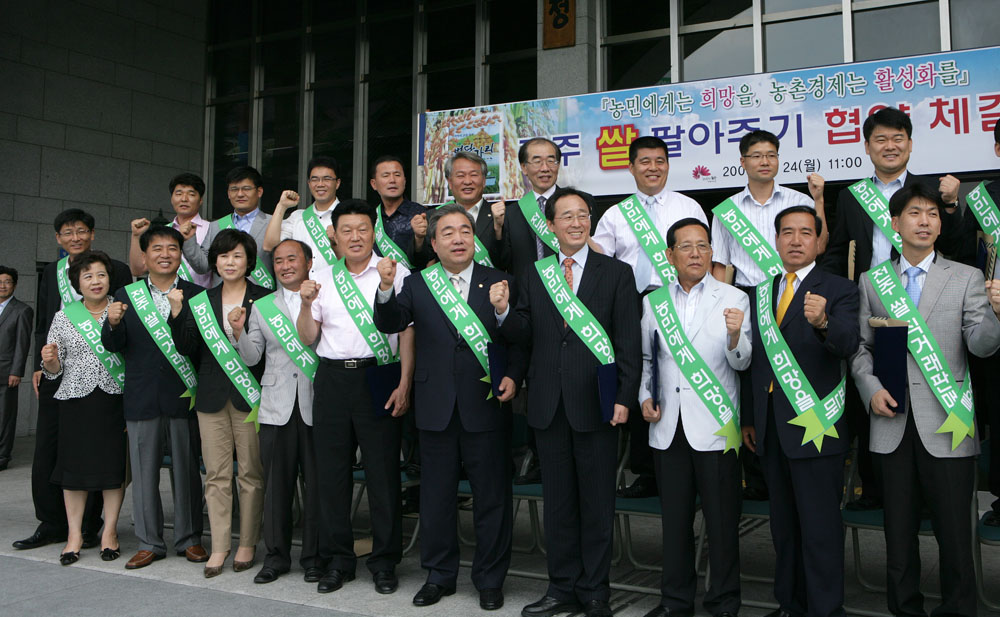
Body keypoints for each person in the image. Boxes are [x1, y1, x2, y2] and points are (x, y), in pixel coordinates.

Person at [851, 183, 1000, 617]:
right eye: (915, 213)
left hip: (947, 423)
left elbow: (983, 345)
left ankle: (958, 609)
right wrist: (870, 387)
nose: (925, 221)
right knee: (898, 535)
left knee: (955, 535)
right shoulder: (872, 281)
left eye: (933, 215)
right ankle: (905, 609)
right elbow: (862, 348)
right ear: (895, 224)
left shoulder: (966, 277)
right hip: (890, 422)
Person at [500, 188, 640, 617]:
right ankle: (561, 588)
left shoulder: (616, 273)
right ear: (552, 225)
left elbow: (628, 342)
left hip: (596, 403)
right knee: (558, 506)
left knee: (597, 504)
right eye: (567, 216)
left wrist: (624, 396)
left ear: (590, 222)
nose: (576, 222)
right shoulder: (535, 274)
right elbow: (524, 338)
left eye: (583, 215)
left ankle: (596, 591)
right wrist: (505, 314)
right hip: (547, 402)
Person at [374, 203, 519, 611]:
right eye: (449, 233)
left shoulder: (500, 281)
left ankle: (490, 580)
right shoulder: (418, 284)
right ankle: (439, 576)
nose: (458, 238)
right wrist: (385, 289)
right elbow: (391, 323)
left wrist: (514, 375)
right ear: (433, 244)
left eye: (465, 232)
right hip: (435, 405)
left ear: (474, 240)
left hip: (486, 404)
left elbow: (519, 338)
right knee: (435, 499)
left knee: (492, 499)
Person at [818, 107, 964, 511]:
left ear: (911, 144)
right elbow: (837, 253)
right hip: (874, 303)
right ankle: (879, 487)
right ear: (867, 147)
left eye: (898, 138)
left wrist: (950, 209)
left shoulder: (929, 191)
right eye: (880, 139)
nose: (890, 146)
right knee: (873, 392)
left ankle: (925, 486)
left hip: (927, 302)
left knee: (925, 389)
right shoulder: (850, 196)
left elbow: (954, 246)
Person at [743, 205, 859, 617]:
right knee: (784, 529)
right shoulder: (760, 292)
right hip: (771, 429)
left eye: (805, 233)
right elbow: (754, 363)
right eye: (787, 232)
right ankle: (790, 605)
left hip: (816, 425)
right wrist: (749, 419)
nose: (795, 240)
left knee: (820, 529)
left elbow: (848, 344)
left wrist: (824, 321)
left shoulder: (839, 288)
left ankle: (825, 609)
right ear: (776, 240)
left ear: (818, 241)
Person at [296, 200, 414, 596]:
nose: (355, 237)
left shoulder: (394, 273)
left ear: (373, 232)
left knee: (383, 475)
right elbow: (308, 338)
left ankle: (384, 562)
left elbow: (409, 333)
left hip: (379, 376)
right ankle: (339, 560)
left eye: (362, 229)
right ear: (335, 235)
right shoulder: (320, 277)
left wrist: (405, 382)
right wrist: (306, 302)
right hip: (331, 380)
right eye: (346, 230)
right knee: (331, 476)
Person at [640, 218, 750, 617]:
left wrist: (737, 337)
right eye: (685, 247)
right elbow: (648, 360)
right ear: (669, 256)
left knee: (722, 526)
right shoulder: (653, 302)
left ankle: (723, 603)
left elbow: (743, 363)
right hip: (668, 427)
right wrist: (644, 399)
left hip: (716, 428)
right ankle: (675, 601)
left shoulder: (734, 297)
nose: (695, 254)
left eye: (703, 246)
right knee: (675, 523)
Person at [710, 129, 826, 502]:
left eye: (771, 154)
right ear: (742, 162)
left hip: (791, 295)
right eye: (756, 155)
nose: (764, 161)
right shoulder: (727, 210)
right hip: (747, 298)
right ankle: (756, 474)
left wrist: (819, 201)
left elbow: (818, 246)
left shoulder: (797, 200)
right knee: (751, 378)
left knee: (792, 376)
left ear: (778, 159)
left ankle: (792, 455)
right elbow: (720, 267)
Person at [592, 135, 708, 499]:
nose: (653, 168)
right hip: (631, 302)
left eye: (660, 161)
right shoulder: (615, 214)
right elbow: (602, 263)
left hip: (679, 299)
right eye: (645, 161)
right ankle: (645, 469)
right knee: (641, 375)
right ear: (631, 167)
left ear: (668, 165)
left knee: (680, 375)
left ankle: (690, 460)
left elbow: (702, 256)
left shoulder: (688, 206)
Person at [14, 209, 132, 552]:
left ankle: (96, 525)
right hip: (60, 370)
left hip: (108, 372)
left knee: (103, 452)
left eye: (82, 231)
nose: (75, 237)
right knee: (53, 448)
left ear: (92, 234)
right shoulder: (52, 272)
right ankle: (52, 522)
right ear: (58, 239)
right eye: (68, 232)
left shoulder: (115, 270)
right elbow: (44, 317)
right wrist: (42, 361)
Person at [102, 226, 208, 570]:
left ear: (181, 254)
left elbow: (196, 347)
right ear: (144, 257)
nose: (165, 254)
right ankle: (149, 542)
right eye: (157, 248)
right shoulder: (125, 294)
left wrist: (178, 317)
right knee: (144, 473)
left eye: (172, 248)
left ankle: (190, 539)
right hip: (142, 396)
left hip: (184, 395)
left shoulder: (196, 295)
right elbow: (114, 347)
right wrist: (113, 325)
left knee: (187, 470)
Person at [170, 228, 268, 577]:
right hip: (211, 397)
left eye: (237, 255)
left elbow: (265, 356)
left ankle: (247, 543)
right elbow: (187, 348)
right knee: (216, 474)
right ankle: (221, 546)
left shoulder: (265, 298)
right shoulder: (201, 300)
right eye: (224, 255)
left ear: (249, 261)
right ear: (215, 261)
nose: (230, 261)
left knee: (252, 475)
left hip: (250, 396)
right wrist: (178, 314)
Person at [235, 238, 322, 585]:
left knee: (317, 487)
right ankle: (276, 556)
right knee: (276, 487)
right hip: (275, 408)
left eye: (293, 259)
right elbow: (251, 357)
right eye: (279, 261)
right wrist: (238, 331)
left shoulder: (324, 296)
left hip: (317, 403)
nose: (285, 265)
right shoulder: (262, 305)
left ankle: (314, 557)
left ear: (309, 262)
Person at [39, 250, 126, 566]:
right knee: (73, 471)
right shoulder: (64, 316)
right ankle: (74, 535)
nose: (95, 281)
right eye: (88, 276)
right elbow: (52, 367)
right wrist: (49, 362)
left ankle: (109, 533)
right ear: (77, 282)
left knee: (111, 470)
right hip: (74, 400)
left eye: (101, 274)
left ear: (109, 278)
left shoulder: (122, 311)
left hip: (112, 398)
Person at [181, 165, 274, 289]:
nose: (240, 194)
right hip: (223, 300)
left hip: (262, 300)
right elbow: (203, 266)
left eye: (246, 189)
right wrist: (189, 240)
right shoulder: (216, 226)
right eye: (234, 189)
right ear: (228, 193)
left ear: (259, 192)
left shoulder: (273, 223)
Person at [417, 152, 503, 268]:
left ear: (484, 181)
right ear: (450, 182)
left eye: (473, 175)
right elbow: (419, 260)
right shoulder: (433, 216)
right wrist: (418, 238)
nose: (467, 181)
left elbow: (507, 260)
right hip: (447, 285)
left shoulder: (500, 215)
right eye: (460, 176)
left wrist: (498, 229)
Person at [128, 173, 212, 288]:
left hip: (200, 301)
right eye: (178, 193)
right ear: (172, 198)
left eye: (191, 194)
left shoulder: (212, 229)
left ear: (201, 200)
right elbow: (138, 270)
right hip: (164, 299)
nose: (184, 199)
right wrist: (136, 236)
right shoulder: (162, 231)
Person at [263, 156, 342, 277]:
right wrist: (282, 206)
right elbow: (269, 246)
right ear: (309, 184)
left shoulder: (347, 217)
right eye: (315, 179)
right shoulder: (298, 217)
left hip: (337, 290)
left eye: (327, 179)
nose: (320, 184)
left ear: (337, 183)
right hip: (299, 292)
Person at [498, 138, 562, 280]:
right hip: (526, 297)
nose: (545, 168)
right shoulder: (511, 213)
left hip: (568, 295)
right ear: (524, 168)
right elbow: (503, 262)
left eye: (551, 161)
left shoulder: (579, 204)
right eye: (537, 161)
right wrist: (497, 229)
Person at [0, 266, 33, 471]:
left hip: (6, 372)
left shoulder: (22, 310)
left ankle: (2, 456)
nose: (2, 286)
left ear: (14, 284)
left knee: (4, 416)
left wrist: (16, 371)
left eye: (7, 282)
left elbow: (22, 344)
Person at [369, 154, 427, 269]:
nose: (392, 180)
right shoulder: (370, 217)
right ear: (374, 184)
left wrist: (419, 238)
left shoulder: (420, 213)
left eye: (397, 175)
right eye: (385, 175)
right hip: (377, 283)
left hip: (411, 284)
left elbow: (429, 259)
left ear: (404, 181)